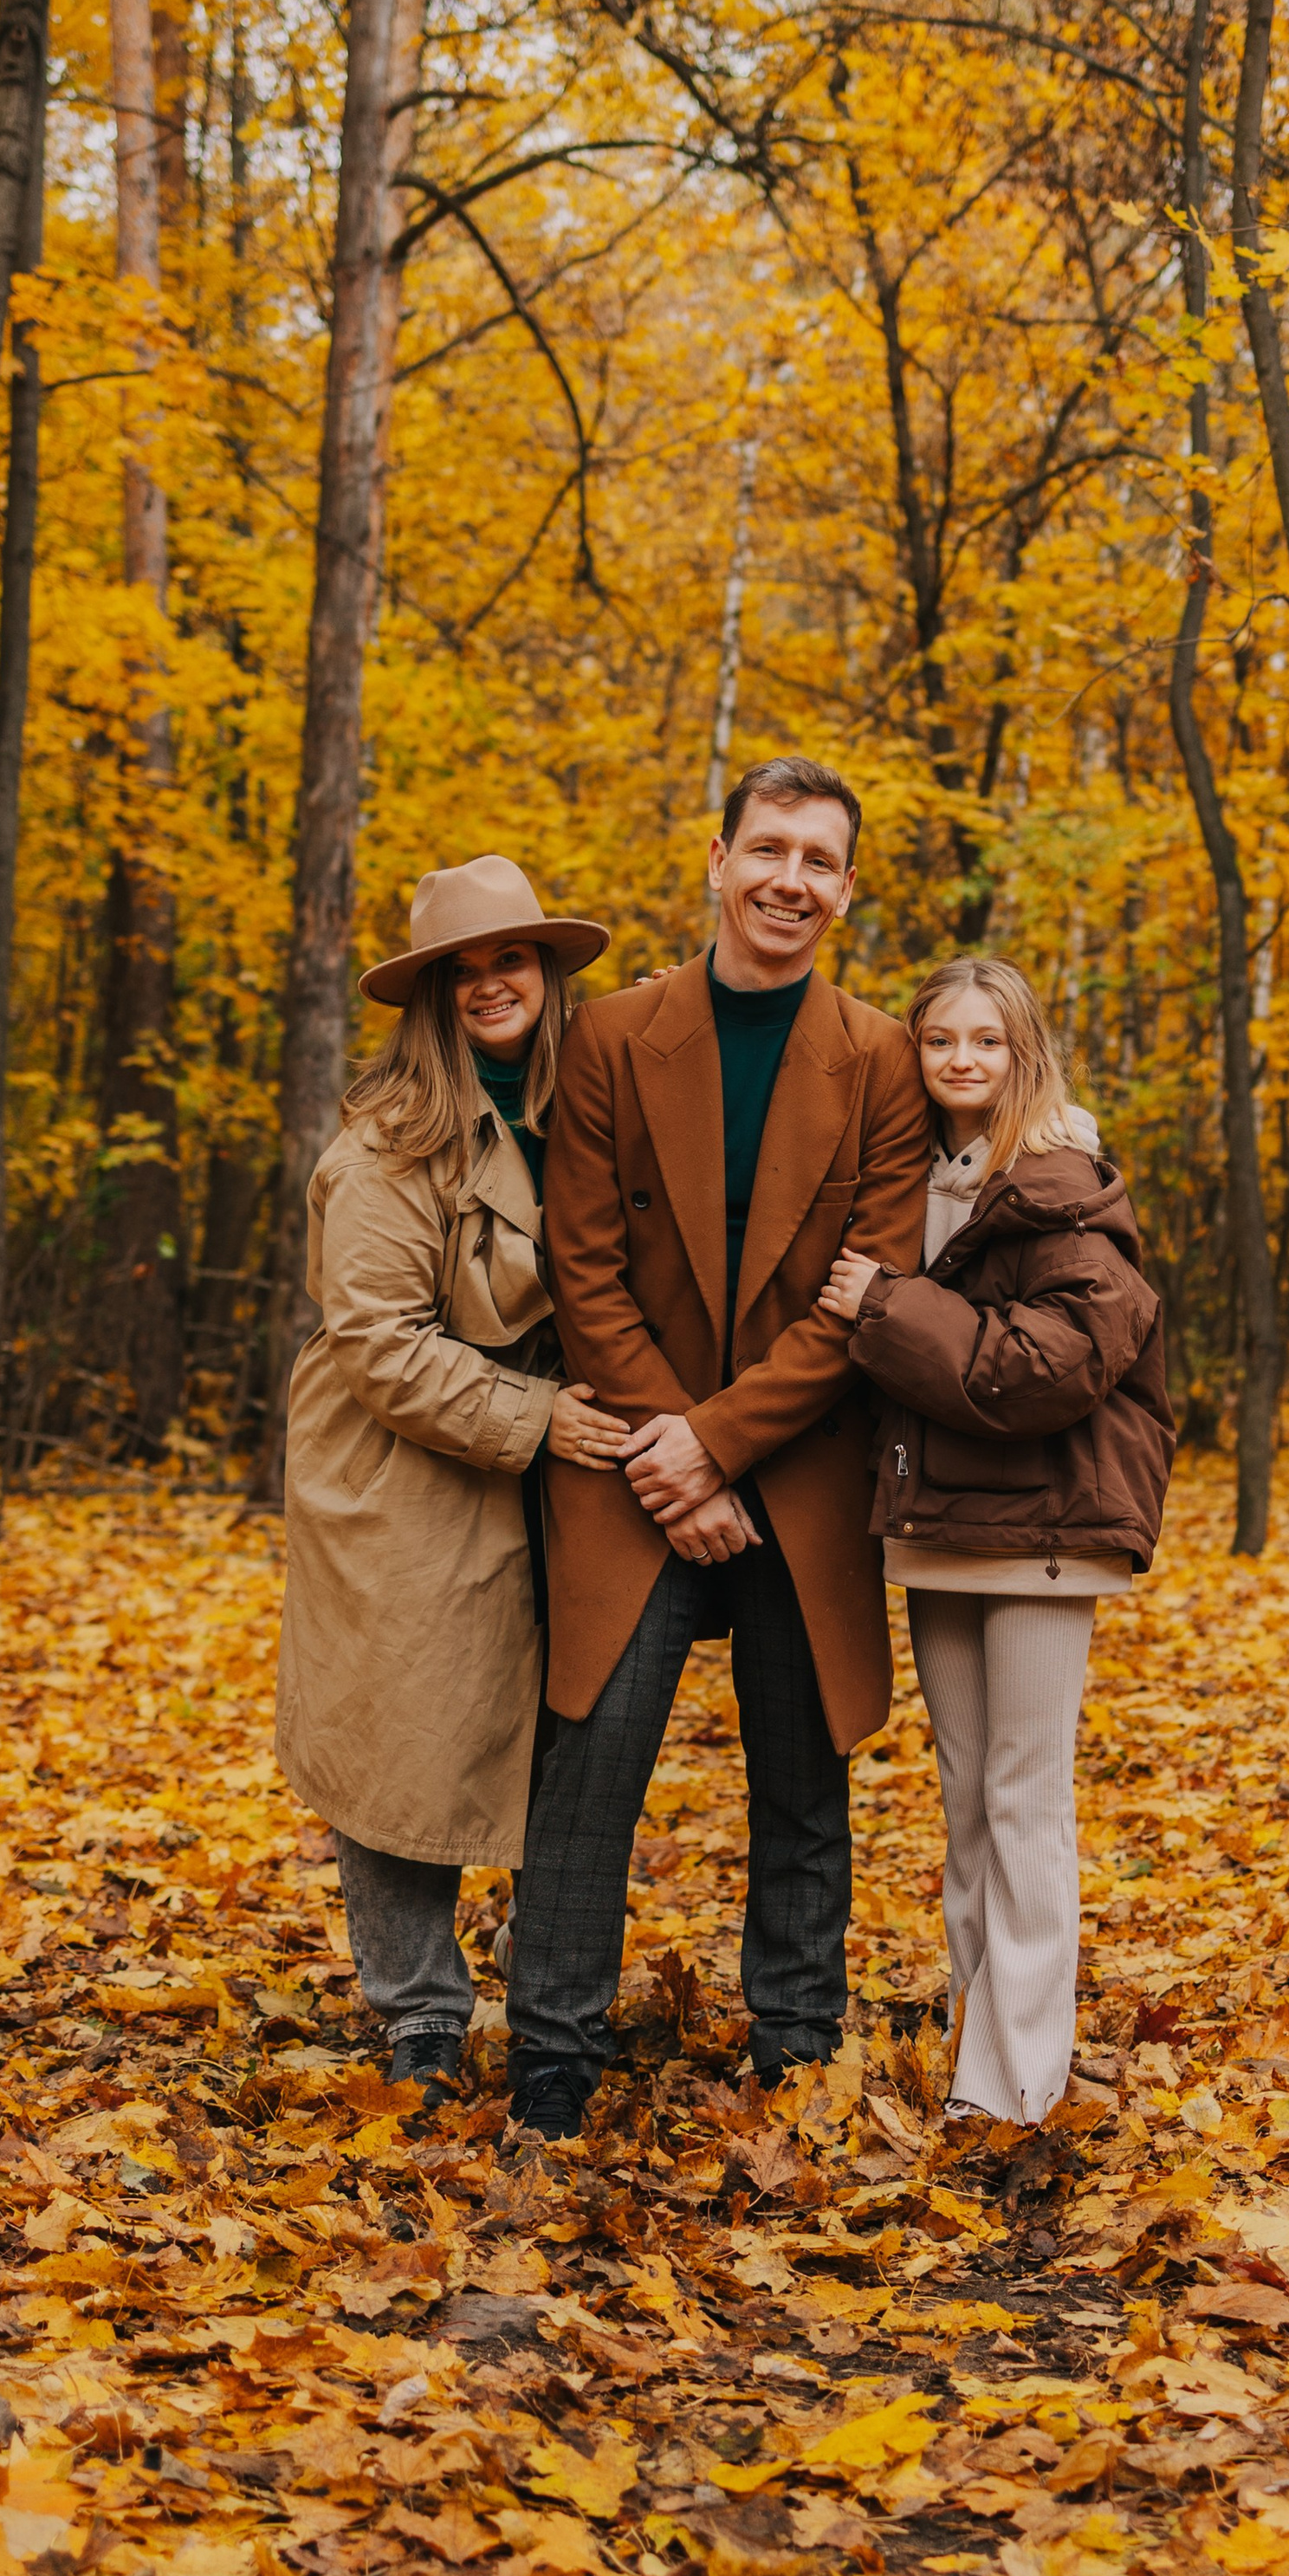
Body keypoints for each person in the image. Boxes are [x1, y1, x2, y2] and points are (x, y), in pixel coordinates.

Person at [503, 756, 932, 2144]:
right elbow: (583, 1270)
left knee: (803, 1775)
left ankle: (797, 2045)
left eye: (818, 861)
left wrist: (722, 1447)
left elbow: (868, 1290)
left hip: (795, 1464)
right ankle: (551, 2053)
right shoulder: (614, 1037)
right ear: (718, 859)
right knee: (593, 1762)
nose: (788, 881)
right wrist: (669, 1455)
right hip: (633, 1460)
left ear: (847, 890)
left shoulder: (881, 1059)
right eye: (768, 850)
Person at [275, 855, 634, 2099]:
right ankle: (419, 2012)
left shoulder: (594, 1105)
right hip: (404, 1465)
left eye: (510, 959)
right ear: (431, 997)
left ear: (546, 972)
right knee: (401, 1731)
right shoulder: (384, 1144)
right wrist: (538, 1417)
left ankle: (551, 1990)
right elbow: (378, 1342)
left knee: (563, 1722)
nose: (490, 984)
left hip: (553, 1448)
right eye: (462, 970)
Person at [817, 957, 1174, 2125]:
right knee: (967, 1795)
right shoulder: (912, 1178)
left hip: (1045, 1527)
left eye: (988, 1041)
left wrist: (884, 1305)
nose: (962, 1060)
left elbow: (1056, 1362)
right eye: (940, 1040)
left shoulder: (1060, 1182)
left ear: (1026, 1055)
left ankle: (1020, 2082)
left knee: (1025, 1796)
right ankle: (984, 2032)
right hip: (941, 1523)